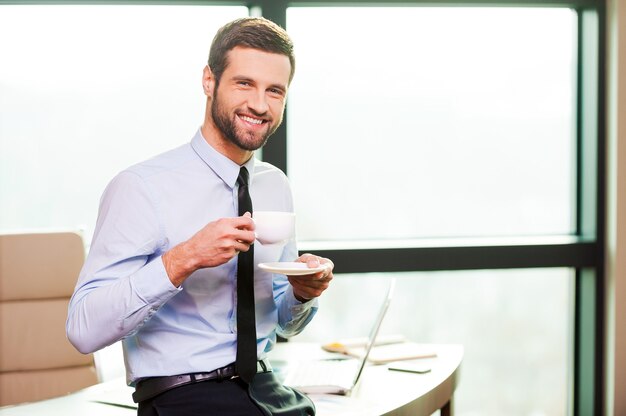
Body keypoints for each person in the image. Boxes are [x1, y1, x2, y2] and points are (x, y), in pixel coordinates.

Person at [66, 17, 333, 416]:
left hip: (264, 388)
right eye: (244, 83)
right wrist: (184, 258)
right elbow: (83, 330)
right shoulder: (141, 187)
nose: (259, 105)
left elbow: (281, 321)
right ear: (209, 81)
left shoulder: (274, 185)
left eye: (274, 91)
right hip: (182, 397)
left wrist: (301, 293)